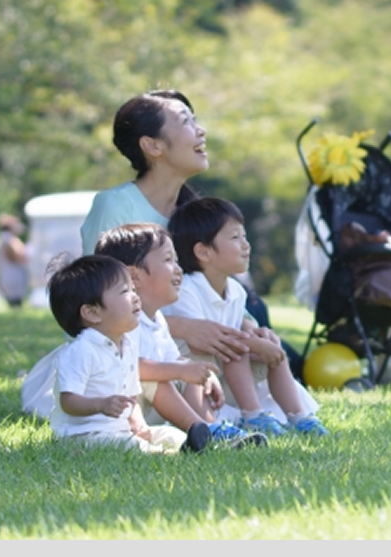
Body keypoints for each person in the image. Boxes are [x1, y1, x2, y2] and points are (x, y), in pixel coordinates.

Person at [79, 89, 304, 375]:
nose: (201, 131)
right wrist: (184, 328)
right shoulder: (115, 206)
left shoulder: (193, 212)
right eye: (187, 122)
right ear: (152, 145)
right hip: (125, 357)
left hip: (188, 348)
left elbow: (214, 287)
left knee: (257, 335)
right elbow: (93, 300)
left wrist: (251, 328)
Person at [94, 222, 267, 448]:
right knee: (167, 374)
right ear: (134, 277)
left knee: (187, 368)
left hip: (152, 411)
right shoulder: (123, 324)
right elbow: (128, 366)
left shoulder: (158, 320)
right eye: (168, 260)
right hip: (123, 413)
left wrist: (200, 373)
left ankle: (210, 427)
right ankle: (202, 428)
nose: (179, 269)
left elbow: (175, 360)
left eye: (176, 260)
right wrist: (181, 370)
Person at [167, 196, 329, 436]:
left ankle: (300, 417)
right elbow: (201, 343)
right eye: (235, 237)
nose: (246, 245)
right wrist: (253, 343)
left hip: (225, 369)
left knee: (266, 344)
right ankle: (252, 415)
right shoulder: (187, 289)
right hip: (193, 376)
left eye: (244, 236)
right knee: (240, 347)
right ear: (203, 251)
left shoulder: (236, 291)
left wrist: (260, 340)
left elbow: (237, 335)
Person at [46, 253, 211, 454]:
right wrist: (100, 404)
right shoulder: (81, 351)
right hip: (82, 436)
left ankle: (193, 440)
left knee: (167, 434)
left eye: (134, 289)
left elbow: (131, 395)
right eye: (125, 291)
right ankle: (172, 455)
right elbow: (68, 401)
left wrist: (138, 422)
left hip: (119, 431)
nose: (135, 296)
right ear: (92, 313)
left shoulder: (128, 344)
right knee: (131, 447)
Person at [0, 213, 29, 308]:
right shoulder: (8, 240)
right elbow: (17, 257)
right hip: (12, 278)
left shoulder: (9, 239)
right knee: (15, 303)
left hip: (12, 277)